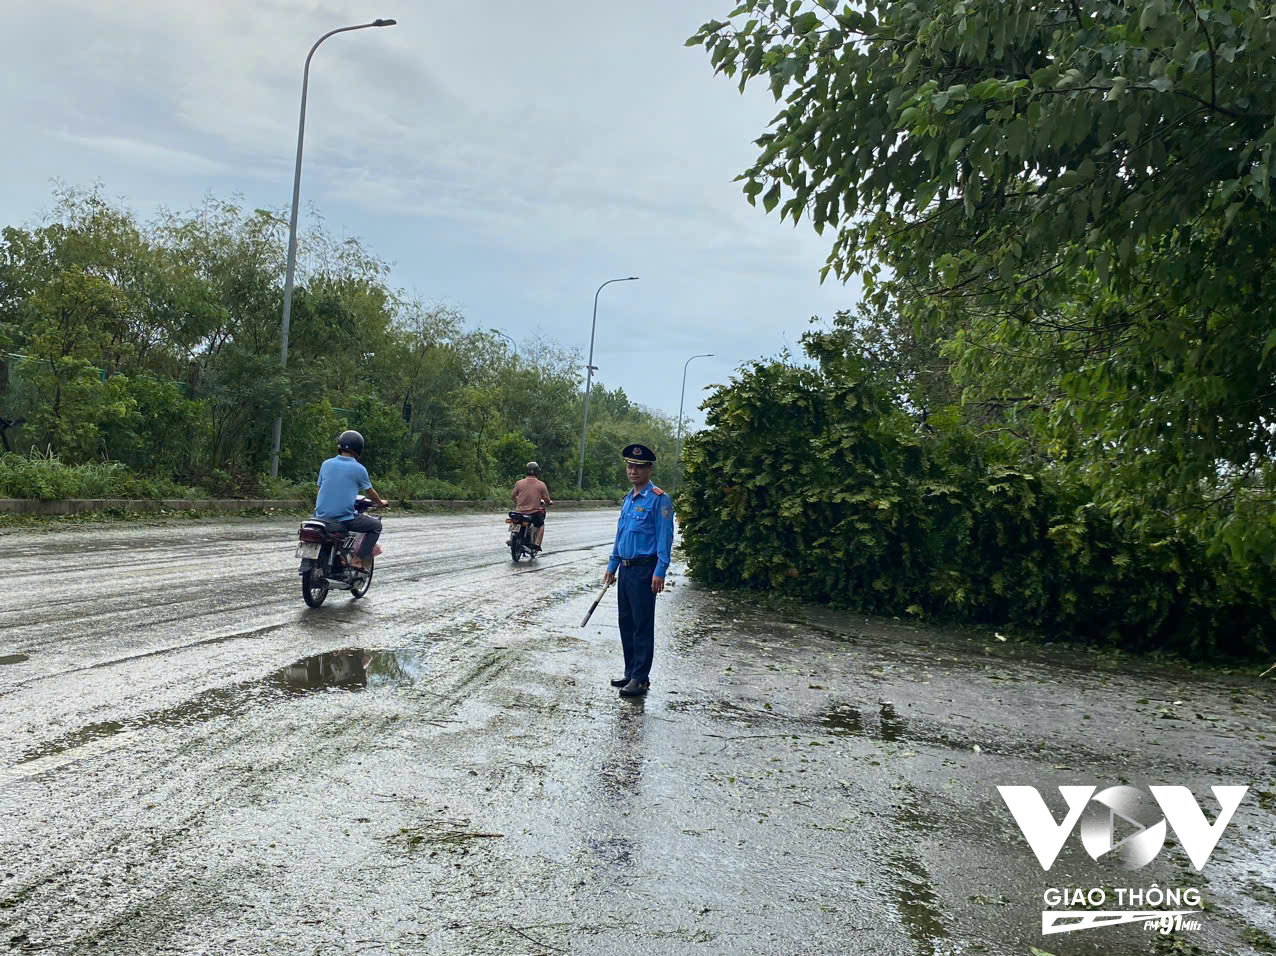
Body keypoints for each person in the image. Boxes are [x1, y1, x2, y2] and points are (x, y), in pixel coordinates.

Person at [602, 443, 674, 698]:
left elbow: (665, 537)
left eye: (638, 467)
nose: (633, 471)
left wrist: (661, 570)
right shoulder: (628, 499)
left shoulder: (658, 499)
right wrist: (612, 566)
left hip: (646, 570)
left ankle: (641, 679)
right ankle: (631, 671)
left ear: (649, 469)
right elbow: (620, 535)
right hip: (626, 569)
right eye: (630, 466)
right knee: (626, 622)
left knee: (642, 625)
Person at [314, 430, 389, 570]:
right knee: (376, 526)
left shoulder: (326, 464)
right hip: (343, 519)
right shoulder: (359, 469)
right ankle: (357, 558)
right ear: (358, 449)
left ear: (340, 446)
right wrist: (380, 503)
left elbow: (320, 489)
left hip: (320, 516)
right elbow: (370, 492)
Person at [510, 461, 553, 553]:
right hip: (532, 513)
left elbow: (513, 495)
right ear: (537, 472)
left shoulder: (519, 483)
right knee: (541, 525)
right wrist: (549, 502)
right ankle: (537, 544)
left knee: (514, 520)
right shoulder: (541, 484)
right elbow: (546, 499)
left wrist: (517, 503)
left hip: (519, 512)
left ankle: (513, 535)